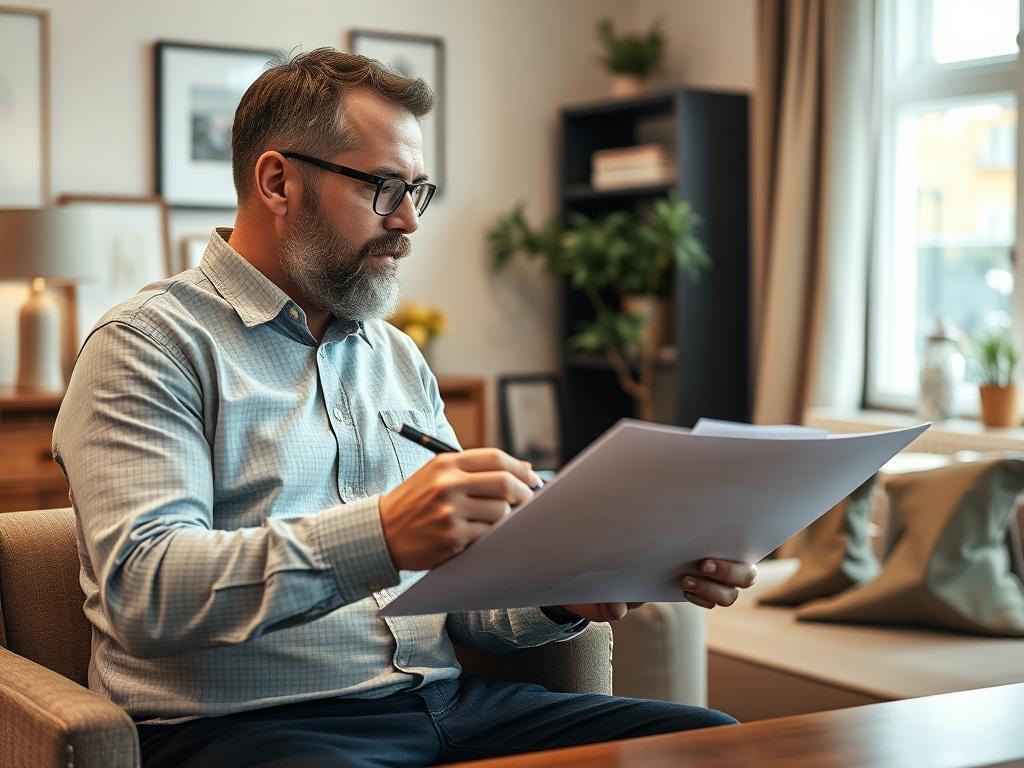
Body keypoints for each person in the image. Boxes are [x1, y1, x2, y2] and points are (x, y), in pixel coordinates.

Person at [52, 48, 758, 768]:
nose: (410, 223)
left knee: (713, 743)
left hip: (448, 709)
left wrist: (569, 590)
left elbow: (467, 606)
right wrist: (381, 534)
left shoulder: (396, 357)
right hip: (243, 727)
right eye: (386, 188)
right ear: (277, 181)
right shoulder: (146, 346)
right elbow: (143, 592)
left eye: (417, 191)